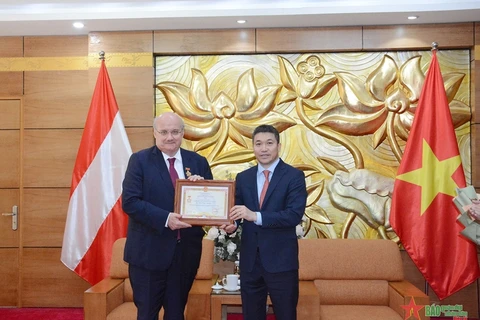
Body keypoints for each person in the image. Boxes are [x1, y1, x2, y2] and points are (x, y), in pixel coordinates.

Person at [122, 112, 212, 320]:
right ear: (154, 133)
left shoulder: (198, 162)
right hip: (148, 254)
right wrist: (166, 219)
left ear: (183, 133)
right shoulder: (139, 161)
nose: (169, 137)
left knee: (176, 313)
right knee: (147, 314)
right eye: (163, 132)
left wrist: (201, 188)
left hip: (184, 256)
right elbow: (130, 202)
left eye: (174, 132)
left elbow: (209, 205)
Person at [225, 124, 307, 320]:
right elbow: (237, 211)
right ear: (253, 147)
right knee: (251, 315)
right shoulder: (243, 178)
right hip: (250, 262)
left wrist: (256, 216)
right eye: (258, 144)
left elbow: (293, 215)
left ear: (279, 145)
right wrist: (232, 226)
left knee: (286, 314)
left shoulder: (294, 176)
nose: (263, 149)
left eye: (269, 143)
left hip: (281, 261)